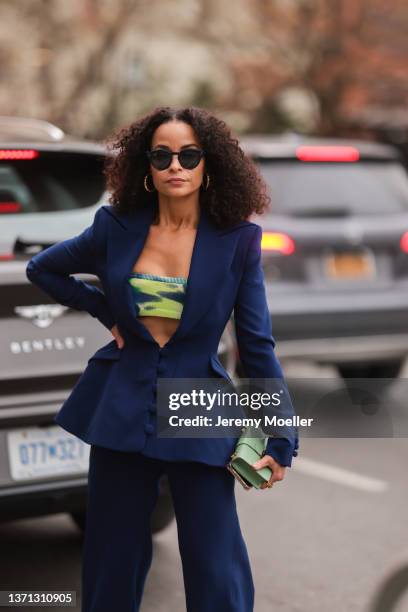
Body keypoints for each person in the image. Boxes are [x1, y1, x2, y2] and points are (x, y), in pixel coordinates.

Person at [26, 106, 299, 612]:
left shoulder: (238, 240)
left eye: (189, 155)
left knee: (215, 561)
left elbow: (257, 345)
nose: (176, 165)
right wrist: (106, 312)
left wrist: (280, 437)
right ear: (146, 167)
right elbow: (43, 269)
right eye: (162, 155)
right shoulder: (115, 227)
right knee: (112, 559)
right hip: (121, 409)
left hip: (196, 409)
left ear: (209, 165)